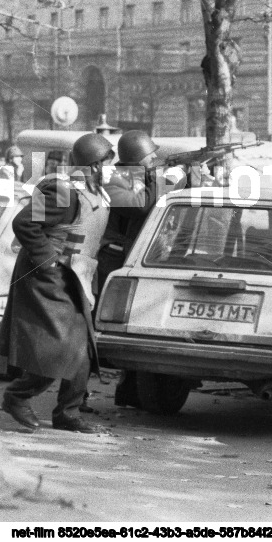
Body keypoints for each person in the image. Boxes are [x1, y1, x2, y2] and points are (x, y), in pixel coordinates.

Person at [0, 133, 114, 433]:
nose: (113, 170)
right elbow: (24, 223)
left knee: (82, 349)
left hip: (75, 275)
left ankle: (67, 413)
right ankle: (15, 397)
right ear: (94, 165)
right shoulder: (63, 191)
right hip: (46, 277)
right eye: (108, 164)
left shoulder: (95, 192)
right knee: (56, 350)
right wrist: (47, 261)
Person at [91, 130, 163, 410]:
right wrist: (161, 177)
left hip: (129, 259)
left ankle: (130, 390)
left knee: (134, 325)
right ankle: (76, 392)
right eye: (151, 157)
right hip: (112, 261)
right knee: (105, 328)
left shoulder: (135, 177)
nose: (156, 159)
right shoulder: (114, 181)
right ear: (137, 159)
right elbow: (141, 206)